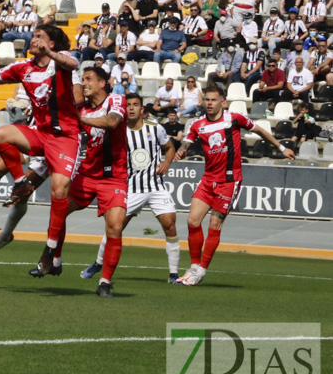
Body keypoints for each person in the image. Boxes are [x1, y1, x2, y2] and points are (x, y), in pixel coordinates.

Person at [0, 24, 80, 268]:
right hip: (40, 134)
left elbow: (73, 65)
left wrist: (50, 55)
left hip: (65, 138)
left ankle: (51, 251)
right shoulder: (23, 67)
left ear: (51, 44)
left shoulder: (61, 60)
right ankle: (15, 187)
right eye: (33, 35)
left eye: (39, 36)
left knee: (58, 192)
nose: (33, 39)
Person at [174, 85, 296, 286]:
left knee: (215, 224)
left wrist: (281, 147)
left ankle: (202, 269)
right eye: (207, 100)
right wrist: (182, 151)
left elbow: (260, 130)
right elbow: (186, 142)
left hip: (229, 181)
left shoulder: (234, 118)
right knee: (192, 221)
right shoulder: (197, 124)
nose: (210, 104)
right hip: (208, 180)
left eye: (214, 100)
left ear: (223, 102)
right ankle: (194, 267)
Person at [26, 66, 127, 298]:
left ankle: (104, 283)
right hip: (86, 174)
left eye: (89, 79)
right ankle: (55, 260)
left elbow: (112, 122)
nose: (84, 83)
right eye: (82, 79)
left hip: (114, 178)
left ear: (103, 83)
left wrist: (79, 118)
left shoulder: (116, 99)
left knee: (115, 227)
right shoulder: (79, 108)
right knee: (58, 208)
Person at [81, 92, 182, 284]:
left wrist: (167, 164)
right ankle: (98, 263)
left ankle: (174, 274)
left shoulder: (155, 128)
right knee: (114, 227)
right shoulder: (117, 131)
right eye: (128, 105)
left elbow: (169, 148)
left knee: (170, 224)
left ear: (142, 109)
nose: (132, 108)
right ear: (123, 109)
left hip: (155, 187)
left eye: (136, 105)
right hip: (130, 188)